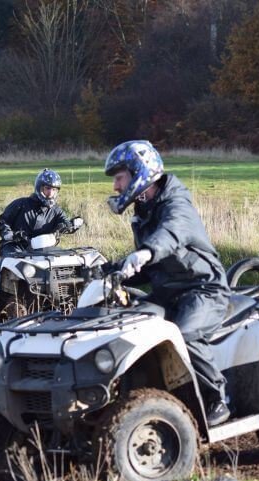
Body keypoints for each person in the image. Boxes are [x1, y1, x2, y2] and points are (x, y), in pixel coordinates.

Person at [105, 140, 231, 427]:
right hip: (168, 292)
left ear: (139, 173)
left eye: (119, 177)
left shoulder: (177, 202)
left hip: (204, 288)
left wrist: (146, 252)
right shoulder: (144, 209)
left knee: (185, 335)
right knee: (126, 325)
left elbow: (171, 235)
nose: (115, 186)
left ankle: (218, 399)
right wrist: (113, 270)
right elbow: (148, 268)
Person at [0, 168, 73, 256]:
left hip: (43, 248)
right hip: (15, 246)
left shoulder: (56, 211)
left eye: (54, 190)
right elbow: (3, 221)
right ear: (39, 188)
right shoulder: (20, 204)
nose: (50, 193)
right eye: (47, 188)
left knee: (61, 260)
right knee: (18, 262)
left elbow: (65, 221)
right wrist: (9, 234)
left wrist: (70, 225)